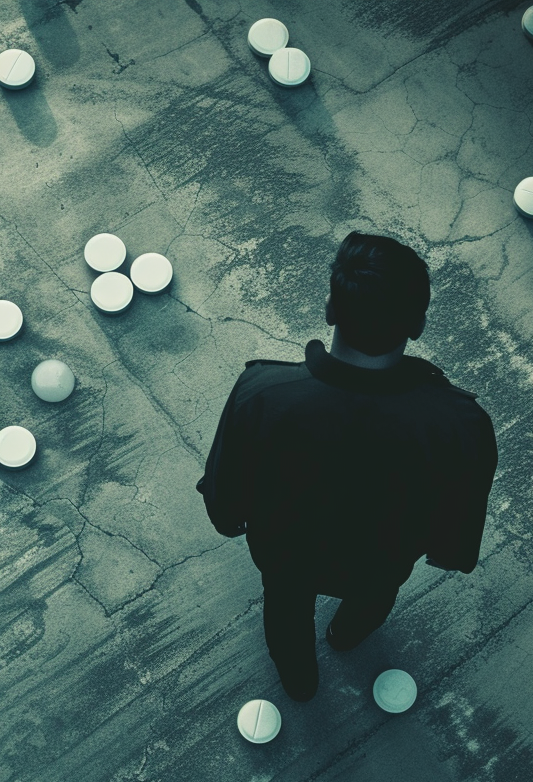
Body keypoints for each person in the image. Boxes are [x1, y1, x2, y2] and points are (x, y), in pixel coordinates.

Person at [196, 231, 498, 702]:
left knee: (285, 615)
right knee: (370, 604)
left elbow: (225, 499)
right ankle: (345, 635)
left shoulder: (262, 393)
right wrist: (442, 550)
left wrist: (232, 517)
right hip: (380, 566)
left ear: (331, 311)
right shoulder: (460, 424)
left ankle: (300, 681)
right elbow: (456, 528)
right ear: (416, 325)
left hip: (285, 561)